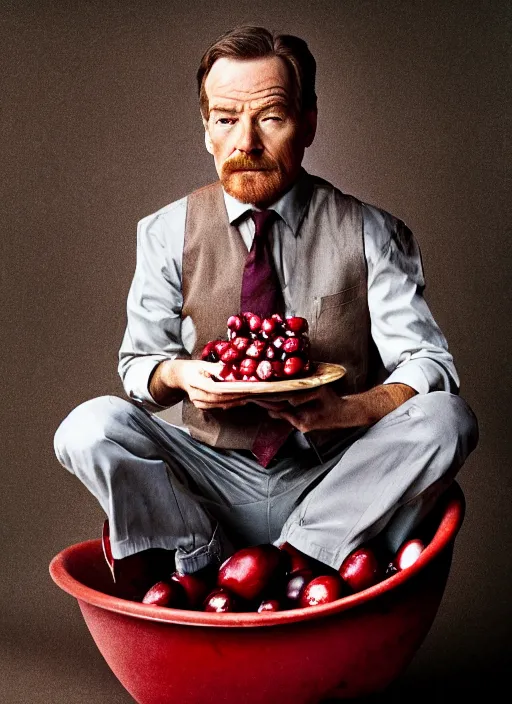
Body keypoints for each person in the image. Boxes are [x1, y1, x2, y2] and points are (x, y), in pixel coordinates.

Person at [53, 25, 479, 600]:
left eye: (270, 117)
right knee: (89, 429)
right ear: (206, 130)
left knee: (448, 419)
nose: (245, 141)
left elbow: (429, 365)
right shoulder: (164, 232)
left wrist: (347, 410)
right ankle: (204, 556)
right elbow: (139, 367)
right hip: (210, 473)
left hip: (334, 475)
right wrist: (182, 376)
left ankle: (292, 558)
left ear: (308, 122)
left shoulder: (371, 232)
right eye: (226, 119)